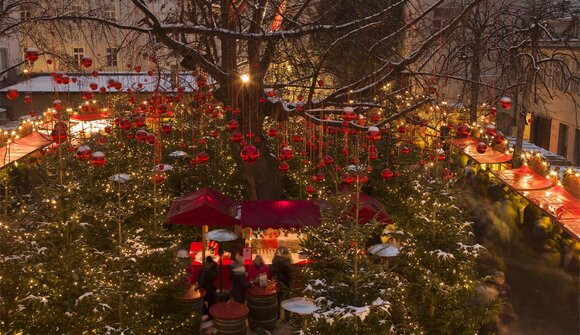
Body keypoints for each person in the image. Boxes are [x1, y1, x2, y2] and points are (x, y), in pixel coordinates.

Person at [271, 247, 293, 320]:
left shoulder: (274, 260)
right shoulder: (286, 261)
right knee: (287, 301)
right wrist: (290, 284)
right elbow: (289, 275)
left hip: (277, 282)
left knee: (277, 300)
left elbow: (272, 272)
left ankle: (277, 315)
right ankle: (287, 318)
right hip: (285, 283)